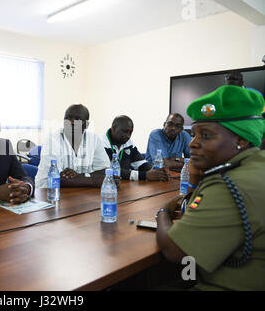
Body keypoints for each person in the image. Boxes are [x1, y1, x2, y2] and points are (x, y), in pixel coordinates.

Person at [156, 85, 265, 290]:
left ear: (241, 139)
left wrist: (162, 212)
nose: (192, 144)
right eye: (194, 134)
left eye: (205, 136)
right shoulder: (255, 165)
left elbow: (175, 250)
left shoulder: (229, 184)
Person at [35, 104, 110, 188]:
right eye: (68, 118)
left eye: (77, 119)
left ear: (86, 125)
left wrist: (80, 177)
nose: (72, 122)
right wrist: (93, 180)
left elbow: (104, 171)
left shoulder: (94, 138)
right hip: (48, 192)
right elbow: (56, 179)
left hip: (80, 192)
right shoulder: (52, 140)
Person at [102, 115, 169, 181]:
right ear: (113, 128)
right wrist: (145, 175)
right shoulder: (102, 143)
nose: (128, 136)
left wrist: (157, 171)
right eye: (124, 131)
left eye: (130, 132)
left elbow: (140, 163)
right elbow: (110, 170)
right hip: (107, 185)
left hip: (124, 184)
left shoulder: (128, 142)